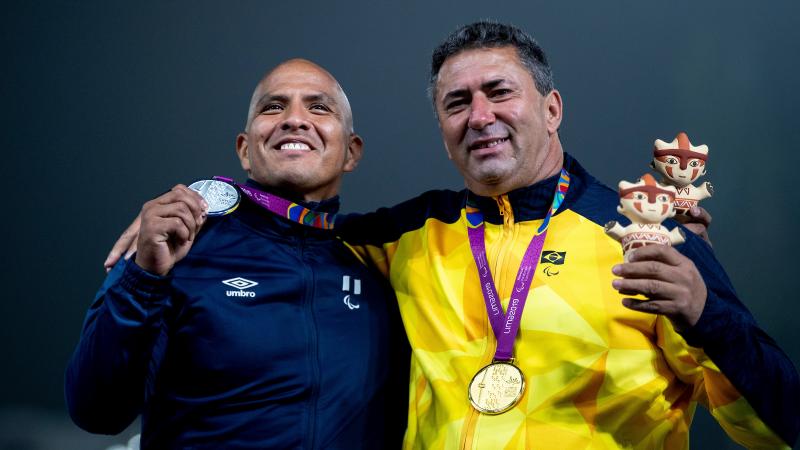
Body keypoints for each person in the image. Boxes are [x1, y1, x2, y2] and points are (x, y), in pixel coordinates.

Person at [101, 23, 799, 449]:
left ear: (551, 108)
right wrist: (204, 197)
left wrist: (711, 320)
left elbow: (777, 429)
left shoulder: (649, 236)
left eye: (501, 92)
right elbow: (291, 215)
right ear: (441, 127)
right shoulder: (405, 234)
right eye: (457, 102)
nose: (480, 115)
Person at [65, 59, 408, 449]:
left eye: (318, 107)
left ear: (351, 151)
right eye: (273, 106)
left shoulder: (384, 261)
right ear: (245, 150)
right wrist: (143, 277)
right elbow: (96, 411)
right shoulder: (177, 247)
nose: (294, 119)